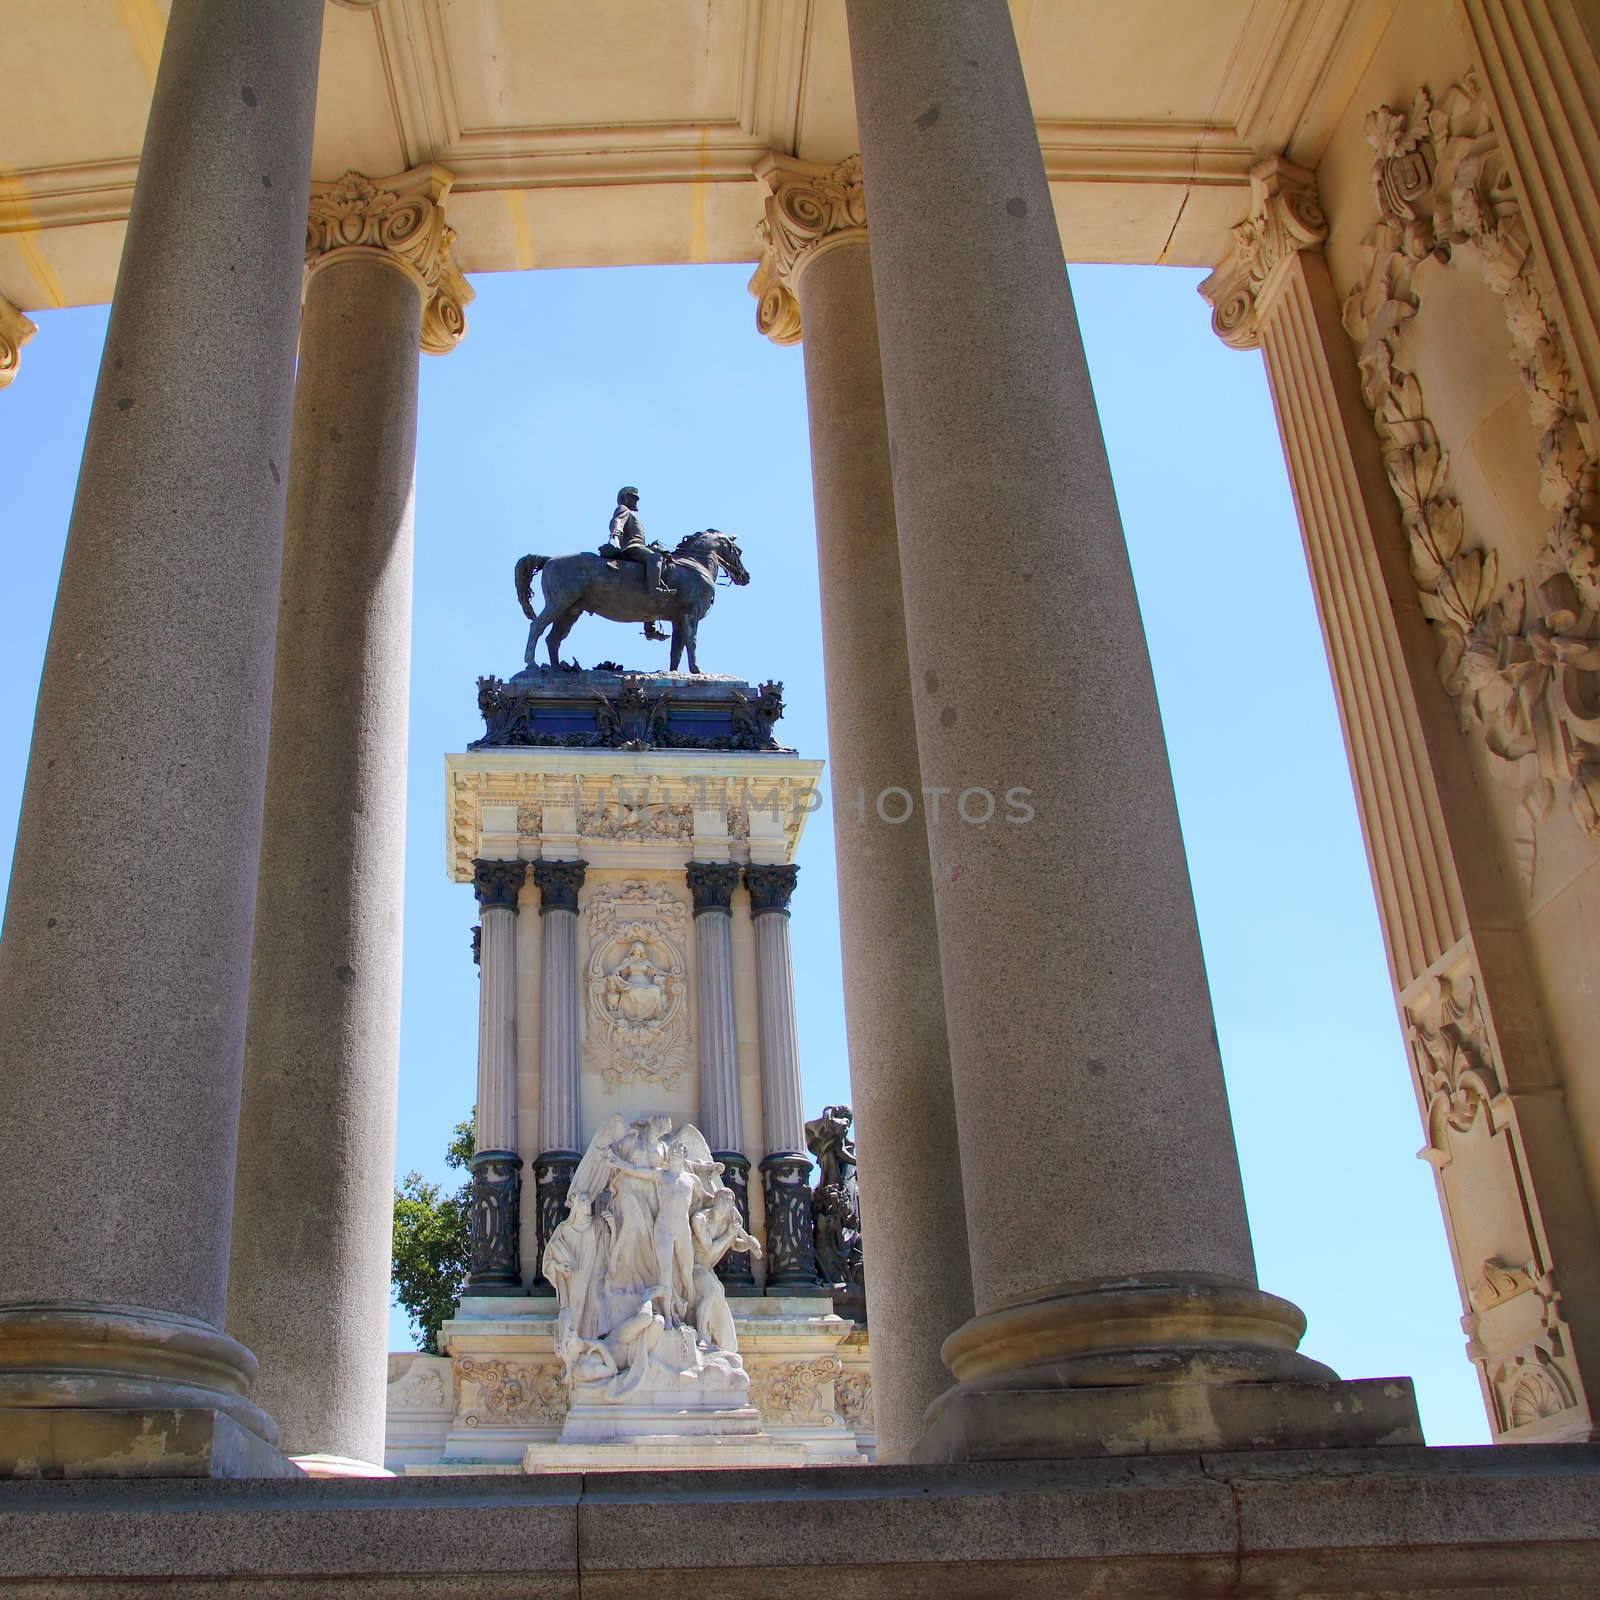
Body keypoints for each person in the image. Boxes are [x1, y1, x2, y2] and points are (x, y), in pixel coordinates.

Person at [608, 485, 669, 594]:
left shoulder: (634, 515)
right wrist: (616, 533)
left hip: (638, 546)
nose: (635, 500)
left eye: (636, 498)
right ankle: (654, 588)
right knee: (655, 558)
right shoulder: (623, 509)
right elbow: (618, 521)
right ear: (624, 498)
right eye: (632, 497)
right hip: (632, 547)